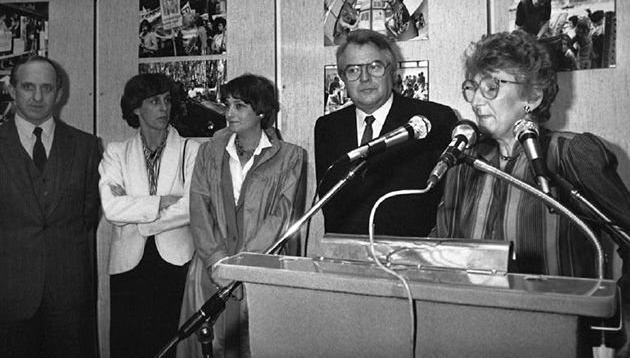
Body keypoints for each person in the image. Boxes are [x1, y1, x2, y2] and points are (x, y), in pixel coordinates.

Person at [432, 30, 630, 347]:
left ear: (532, 97)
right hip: (472, 335)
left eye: (491, 87)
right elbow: (441, 249)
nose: (477, 101)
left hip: (559, 336)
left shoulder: (570, 153)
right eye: (472, 88)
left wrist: (624, 319)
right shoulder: (463, 165)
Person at [177, 74, 307, 358]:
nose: (229, 113)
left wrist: (240, 269)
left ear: (261, 110)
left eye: (239, 106)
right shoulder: (209, 151)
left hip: (259, 272)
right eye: (227, 105)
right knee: (207, 346)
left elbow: (280, 218)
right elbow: (199, 208)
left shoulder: (291, 157)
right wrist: (217, 264)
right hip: (210, 272)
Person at [0, 56, 101, 358]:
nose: (37, 97)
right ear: (11, 90)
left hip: (68, 297)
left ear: (59, 94)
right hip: (8, 297)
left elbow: (88, 215)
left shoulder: (86, 146)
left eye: (47, 88)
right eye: (28, 87)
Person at [315, 29, 458, 237]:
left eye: (375, 67)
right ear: (343, 78)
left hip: (412, 255)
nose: (364, 78)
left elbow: (451, 198)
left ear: (391, 71)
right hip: (346, 255)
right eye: (353, 70)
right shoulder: (327, 127)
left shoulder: (434, 119)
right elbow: (330, 200)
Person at [99, 73, 200, 358]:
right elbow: (112, 209)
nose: (163, 108)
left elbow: (192, 206)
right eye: (154, 101)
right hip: (128, 267)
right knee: (129, 346)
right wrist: (162, 202)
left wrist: (139, 212)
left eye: (167, 100)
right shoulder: (116, 153)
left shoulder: (190, 150)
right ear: (135, 108)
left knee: (172, 345)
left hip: (176, 263)